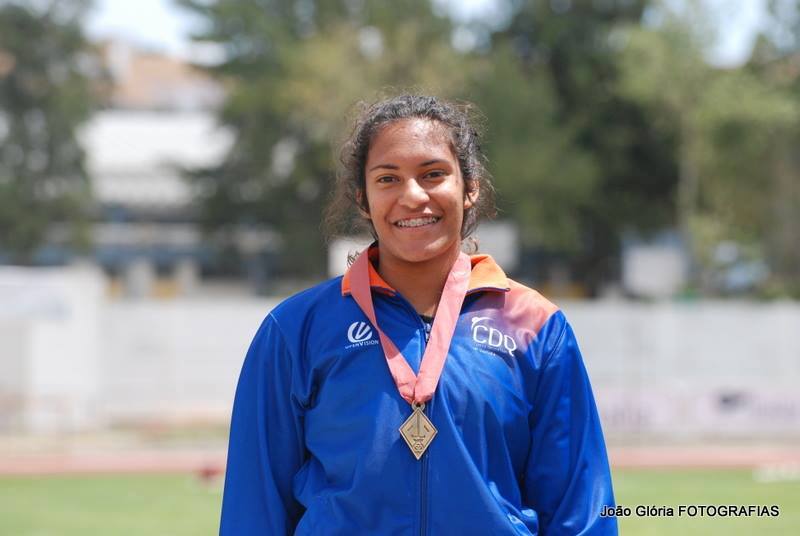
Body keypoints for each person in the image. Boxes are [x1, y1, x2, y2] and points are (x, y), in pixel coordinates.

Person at [219, 95, 617, 535]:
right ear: (363, 199)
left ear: (470, 187)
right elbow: (252, 509)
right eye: (387, 178)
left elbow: (581, 510)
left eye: (433, 174)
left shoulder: (534, 326)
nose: (412, 196)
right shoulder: (296, 329)